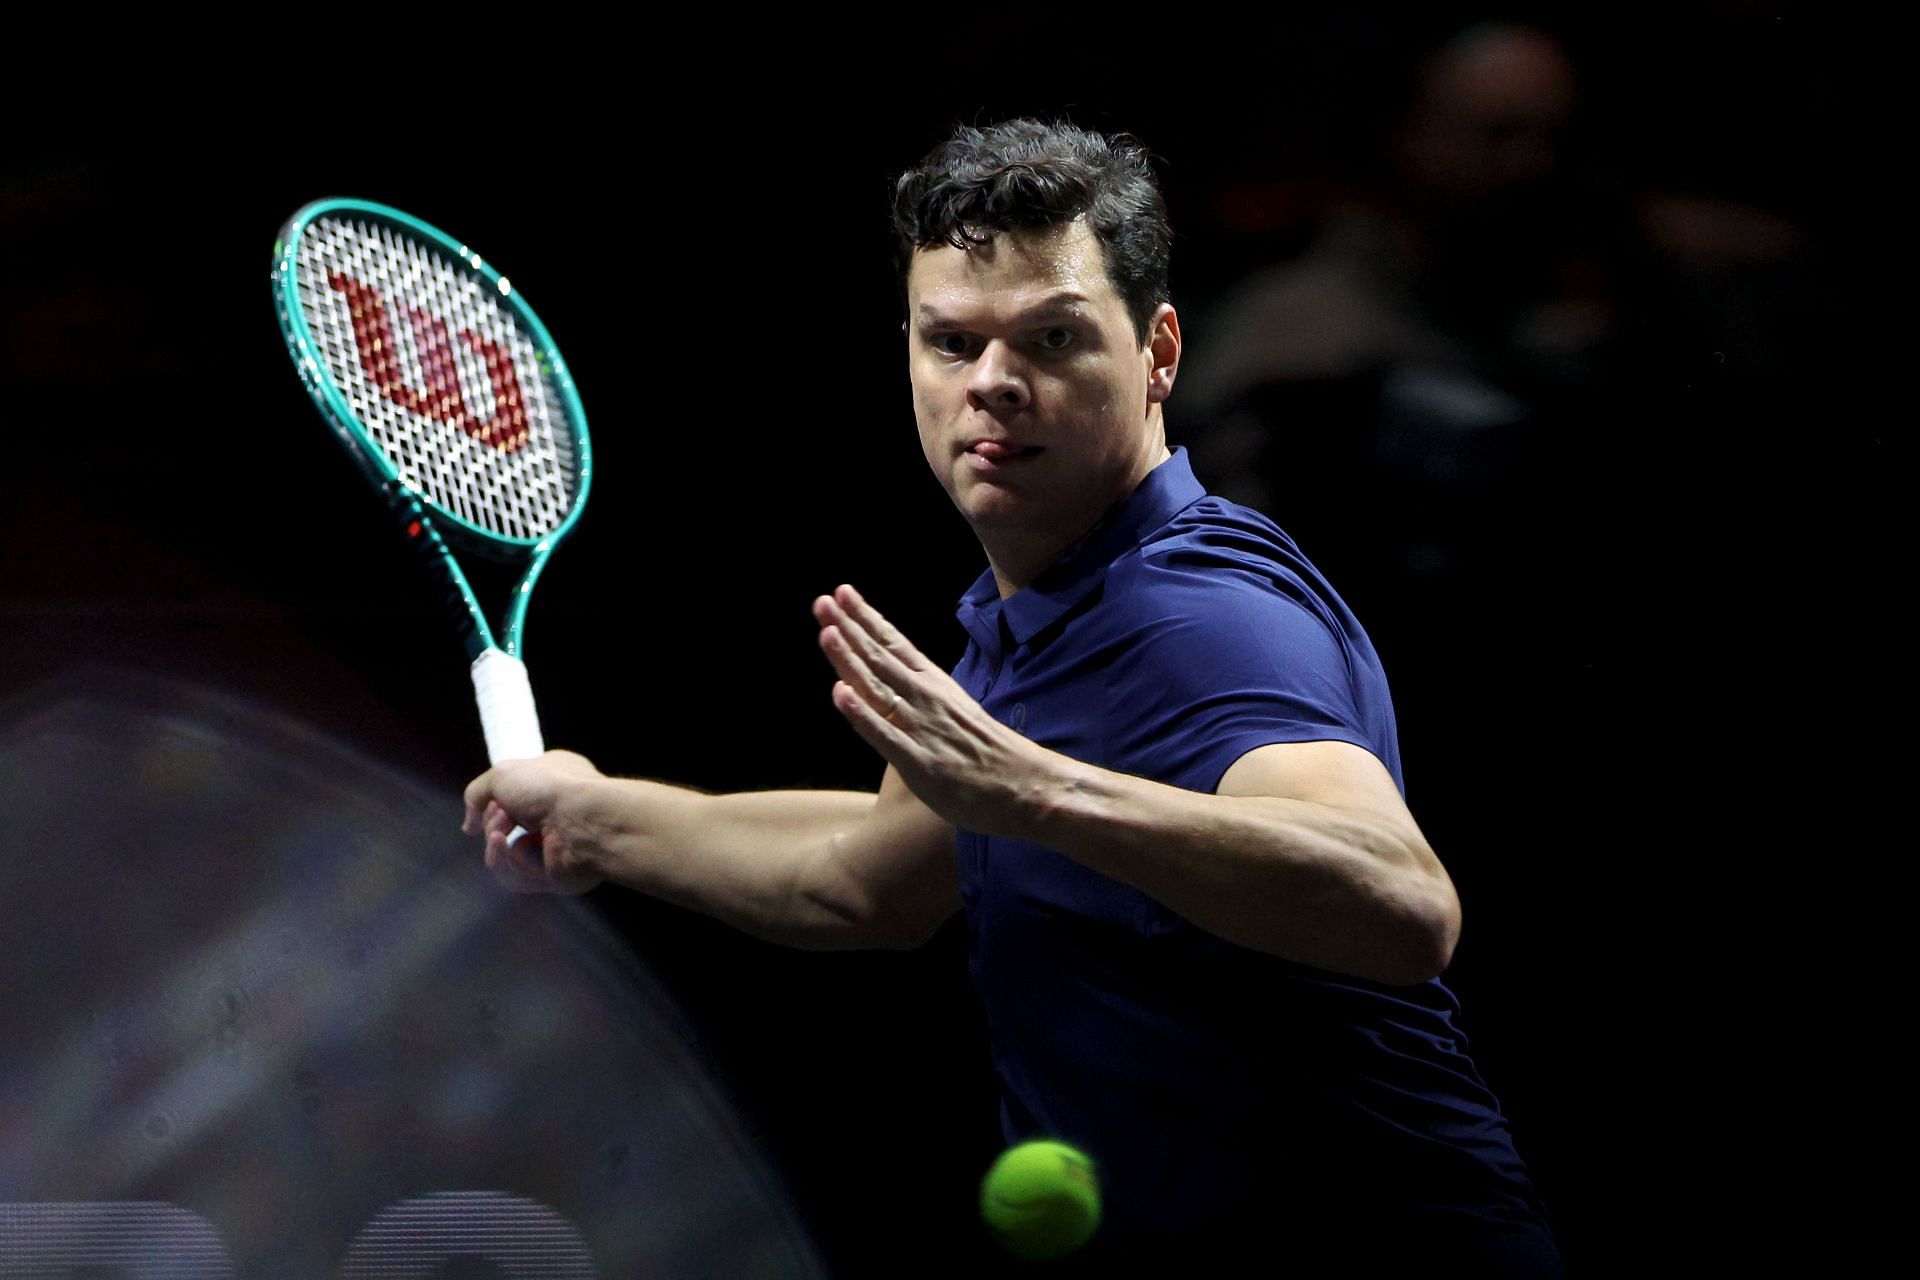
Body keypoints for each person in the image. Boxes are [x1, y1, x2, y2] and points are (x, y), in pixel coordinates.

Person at [463, 119, 1563, 1274]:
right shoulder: (1034, 605)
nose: (993, 382)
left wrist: (1033, 789)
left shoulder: (1199, 618)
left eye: (1052, 337)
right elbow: (861, 878)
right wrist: (598, 817)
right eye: (952, 341)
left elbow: (1403, 902)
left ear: (1159, 354)